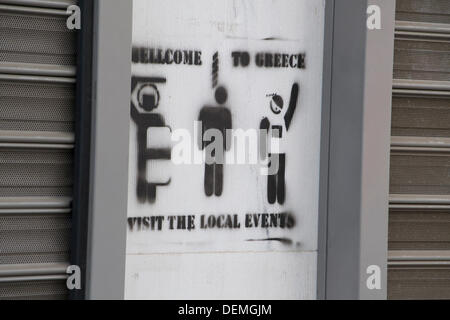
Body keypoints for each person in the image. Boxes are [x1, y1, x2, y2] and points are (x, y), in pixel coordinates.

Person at [260, 83, 299, 205]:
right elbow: (291, 108)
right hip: (277, 153)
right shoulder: (280, 120)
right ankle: (275, 199)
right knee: (276, 176)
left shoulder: (274, 120)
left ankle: (274, 199)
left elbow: (291, 107)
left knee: (276, 176)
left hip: (276, 153)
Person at [198, 86, 232, 197]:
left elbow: (200, 124)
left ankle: (210, 190)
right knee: (218, 167)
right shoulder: (225, 112)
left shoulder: (206, 110)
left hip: (210, 141)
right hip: (218, 143)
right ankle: (216, 191)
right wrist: (227, 145)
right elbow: (228, 128)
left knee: (210, 166)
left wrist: (200, 143)